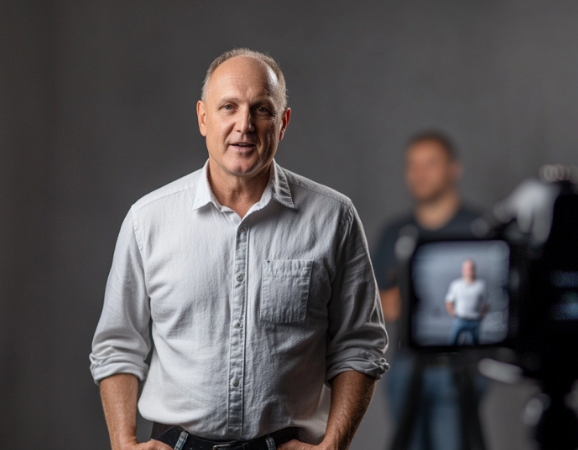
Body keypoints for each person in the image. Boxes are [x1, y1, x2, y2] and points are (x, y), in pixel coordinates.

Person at [90, 48, 388, 450]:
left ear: (282, 123)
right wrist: (123, 443)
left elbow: (360, 345)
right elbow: (117, 345)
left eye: (261, 109)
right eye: (228, 106)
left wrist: (333, 445)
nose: (243, 125)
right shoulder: (149, 220)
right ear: (203, 117)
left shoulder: (333, 218)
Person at [372, 131, 482, 450]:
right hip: (408, 364)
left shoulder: (478, 229)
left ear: (453, 169)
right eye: (413, 165)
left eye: (430, 164)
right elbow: (379, 305)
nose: (420, 174)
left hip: (463, 364)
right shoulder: (395, 233)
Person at [445, 259, 488, 345]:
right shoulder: (456, 284)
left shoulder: (481, 285)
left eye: (471, 268)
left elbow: (486, 303)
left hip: (474, 320)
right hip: (459, 319)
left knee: (475, 347)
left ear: (474, 270)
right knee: (452, 344)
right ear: (463, 270)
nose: (469, 271)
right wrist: (453, 313)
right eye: (467, 268)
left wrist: (481, 315)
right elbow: (448, 301)